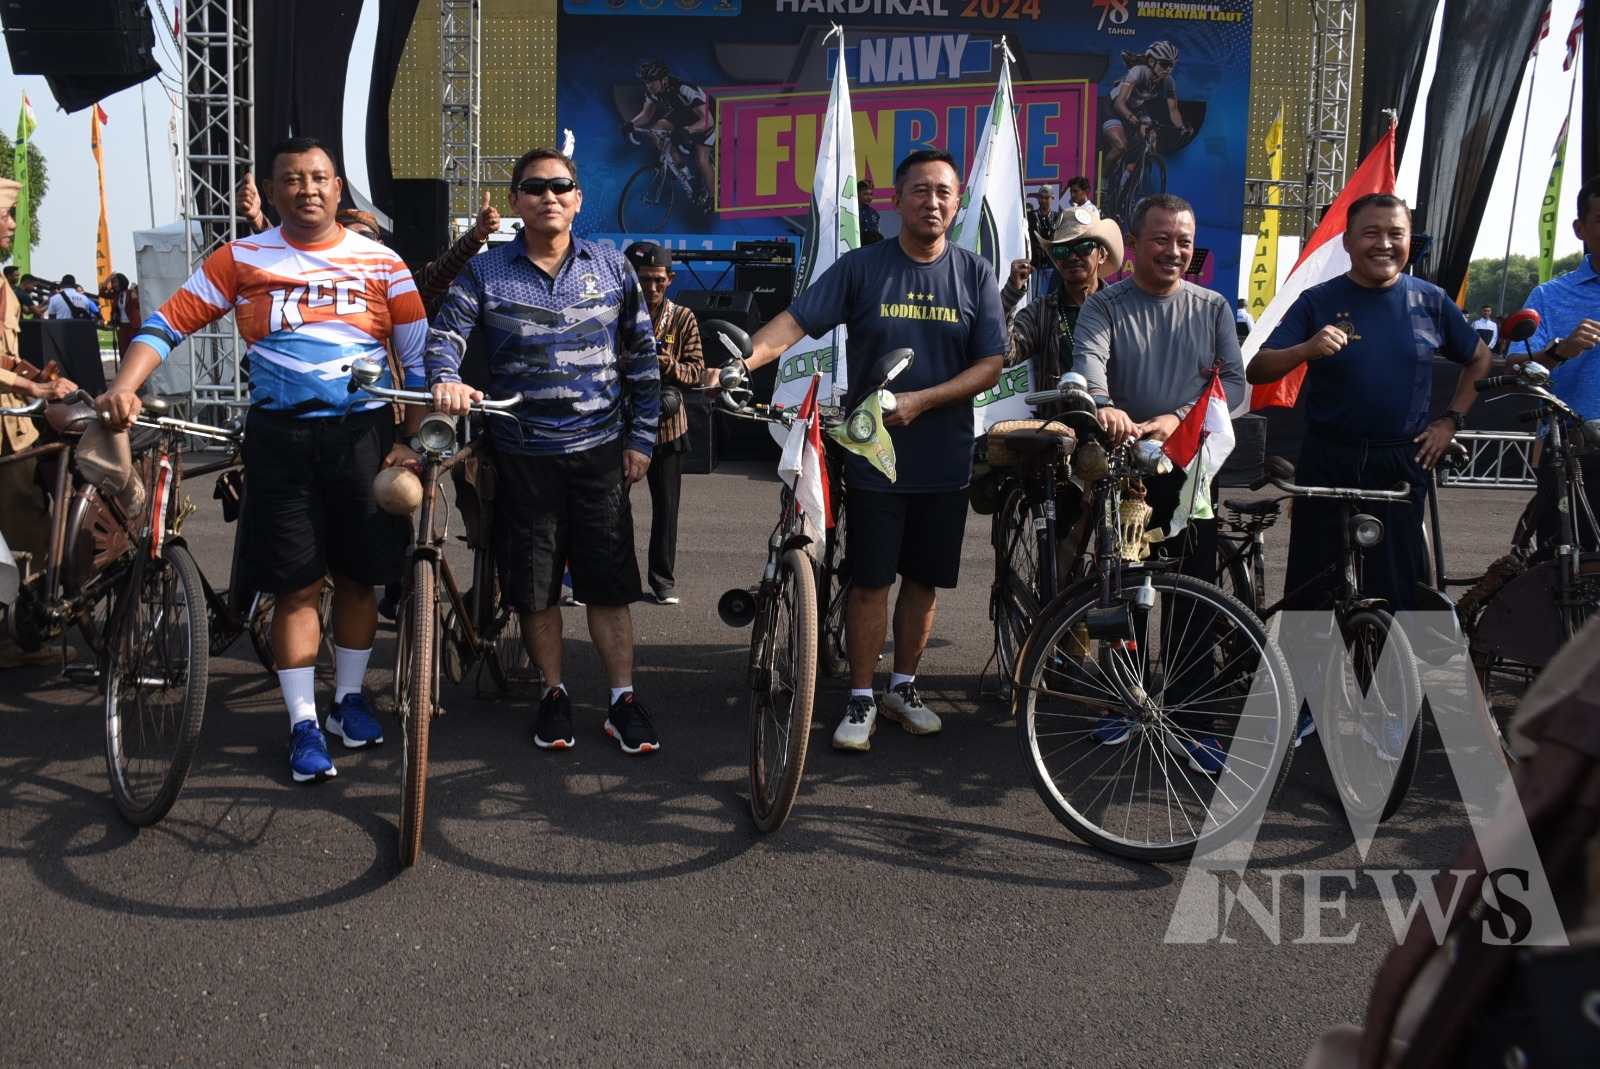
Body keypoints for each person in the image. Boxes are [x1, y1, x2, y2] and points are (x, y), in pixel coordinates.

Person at [96, 136, 428, 783]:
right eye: (292, 179)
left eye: (319, 177)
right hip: (279, 440)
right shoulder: (241, 257)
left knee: (360, 579)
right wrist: (124, 386)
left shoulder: (383, 262)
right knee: (295, 584)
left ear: (338, 187)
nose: (307, 189)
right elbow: (166, 324)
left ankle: (349, 701)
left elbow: (416, 359)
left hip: (363, 439)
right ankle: (303, 723)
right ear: (272, 192)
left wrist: (409, 441)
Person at [733, 148, 1007, 752]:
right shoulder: (862, 268)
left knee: (923, 581)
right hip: (872, 453)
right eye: (920, 190)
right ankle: (860, 695)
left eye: (943, 192)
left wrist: (924, 401)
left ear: (957, 203)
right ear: (896, 199)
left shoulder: (974, 273)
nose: (932, 202)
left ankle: (903, 686)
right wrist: (742, 361)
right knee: (869, 580)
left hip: (944, 456)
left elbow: (991, 363)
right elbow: (795, 322)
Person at [428, 147, 663, 755]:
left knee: (609, 586)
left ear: (578, 199)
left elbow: (642, 359)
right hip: (522, 457)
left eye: (560, 186)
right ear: (515, 201)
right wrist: (446, 377)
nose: (548, 196)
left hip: (599, 455)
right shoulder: (485, 272)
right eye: (534, 188)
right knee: (535, 590)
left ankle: (622, 700)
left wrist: (642, 438)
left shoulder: (611, 267)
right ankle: (552, 693)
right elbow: (445, 335)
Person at [1247, 192, 1491, 742]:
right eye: (1371, 233)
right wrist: (1306, 349)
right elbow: (1259, 367)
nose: (1384, 243)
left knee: (1396, 588)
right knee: (1314, 583)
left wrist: (1450, 421)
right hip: (1328, 457)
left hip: (1401, 461)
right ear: (1349, 241)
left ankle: (1384, 707)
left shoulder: (1430, 301)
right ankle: (1306, 704)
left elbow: (1479, 358)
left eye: (1395, 233)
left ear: (1409, 240)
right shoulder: (1318, 300)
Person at [1073, 193, 1247, 773]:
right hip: (1126, 471)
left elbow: (1234, 385)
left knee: (1194, 598)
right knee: (1123, 592)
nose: (1174, 251)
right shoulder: (1105, 305)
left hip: (1192, 473)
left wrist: (1177, 418)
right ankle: (1123, 703)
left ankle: (1195, 722)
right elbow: (1089, 363)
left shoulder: (1213, 307)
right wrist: (1104, 404)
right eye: (1162, 239)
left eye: (1184, 241)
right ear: (1135, 245)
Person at [0, 177, 79, 669]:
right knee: (21, 529)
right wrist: (32, 390)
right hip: (7, 429)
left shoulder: (3, 287)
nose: (13, 225)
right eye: (5, 215)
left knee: (29, 525)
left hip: (14, 430)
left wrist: (39, 376)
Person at [624, 241, 704, 606]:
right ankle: (611, 578)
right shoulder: (618, 314)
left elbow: (697, 371)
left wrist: (667, 364)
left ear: (670, 278)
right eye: (645, 280)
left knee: (666, 510)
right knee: (610, 509)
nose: (652, 287)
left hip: (668, 427)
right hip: (623, 425)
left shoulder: (683, 317)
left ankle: (662, 582)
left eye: (659, 280)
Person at [1524, 174, 1600, 552]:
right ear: (1579, 228)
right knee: (1562, 570)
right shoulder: (1549, 295)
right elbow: (1518, 366)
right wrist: (1560, 350)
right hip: (1573, 456)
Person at [1003, 203, 1123, 393]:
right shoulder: (1041, 311)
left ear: (1102, 254)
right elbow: (1006, 355)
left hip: (1112, 411)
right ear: (1056, 261)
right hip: (1057, 412)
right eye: (1062, 250)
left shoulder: (1121, 309)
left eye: (1083, 247)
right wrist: (1010, 294)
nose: (1072, 257)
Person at [627, 60, 716, 212]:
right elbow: (646, 115)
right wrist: (630, 124)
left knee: (701, 159)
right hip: (684, 114)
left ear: (664, 80)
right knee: (657, 130)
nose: (648, 86)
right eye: (646, 82)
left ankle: (715, 199)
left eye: (652, 82)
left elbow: (708, 121)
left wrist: (688, 130)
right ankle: (684, 172)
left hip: (707, 117)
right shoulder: (653, 91)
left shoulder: (684, 89)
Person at [1102, 41, 1193, 181]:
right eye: (1164, 64)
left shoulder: (1169, 81)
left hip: (1137, 107)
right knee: (1120, 146)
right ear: (1151, 61)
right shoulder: (1138, 71)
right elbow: (1120, 103)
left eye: (1171, 65)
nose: (1168, 69)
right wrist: (1132, 119)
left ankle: (1130, 172)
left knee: (1151, 141)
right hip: (1115, 104)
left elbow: (1173, 109)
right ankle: (1102, 180)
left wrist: (1181, 127)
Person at [1026, 186, 1064, 271]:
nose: (1043, 200)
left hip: (1053, 264)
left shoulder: (1058, 217)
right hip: (1034, 264)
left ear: (1052, 198)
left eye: (1046, 198)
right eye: (1041, 197)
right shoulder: (1030, 216)